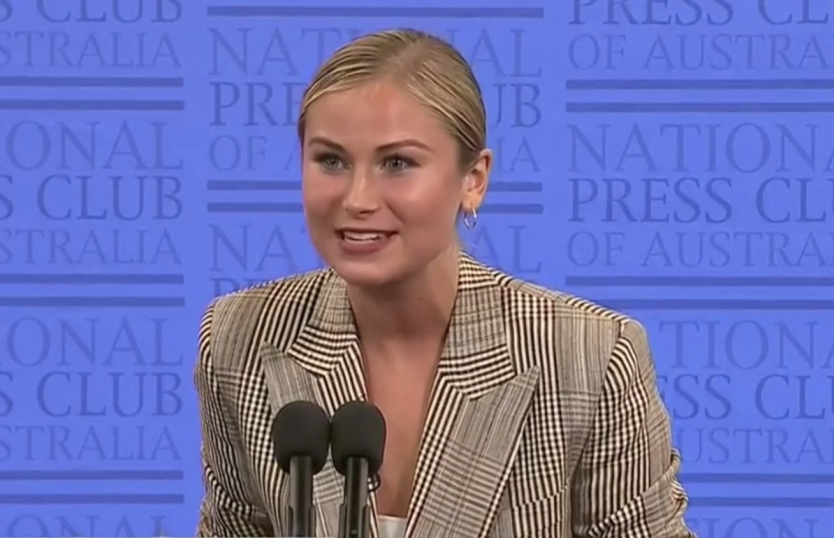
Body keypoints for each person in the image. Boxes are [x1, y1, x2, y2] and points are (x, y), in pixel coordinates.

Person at [194, 28, 696, 538]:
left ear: (473, 179)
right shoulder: (240, 338)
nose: (358, 198)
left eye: (397, 163)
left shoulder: (588, 356)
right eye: (331, 160)